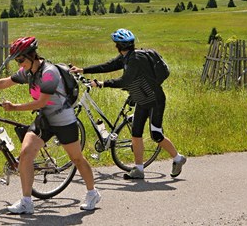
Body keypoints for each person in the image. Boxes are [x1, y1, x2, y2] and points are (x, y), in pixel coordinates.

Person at [0, 36, 101, 214]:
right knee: (26, 154)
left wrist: (15, 108)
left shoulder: (49, 73)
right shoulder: (28, 71)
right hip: (45, 119)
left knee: (76, 158)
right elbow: (6, 81)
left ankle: (92, 193)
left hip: (63, 119)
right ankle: (27, 202)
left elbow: (42, 102)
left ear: (32, 56)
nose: (19, 64)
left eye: (21, 60)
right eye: (17, 61)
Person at [70, 28, 186, 180]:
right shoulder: (127, 56)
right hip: (141, 98)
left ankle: (178, 158)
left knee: (156, 134)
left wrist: (102, 84)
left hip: (155, 100)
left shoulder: (136, 59)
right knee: (136, 134)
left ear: (119, 45)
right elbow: (108, 65)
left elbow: (125, 81)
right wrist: (83, 70)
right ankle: (138, 169)